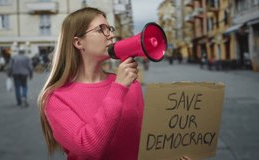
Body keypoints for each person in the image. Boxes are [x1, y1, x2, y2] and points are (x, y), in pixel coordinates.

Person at [37, 7, 191, 160]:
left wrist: (169, 156)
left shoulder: (132, 86)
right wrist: (119, 88)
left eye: (109, 28)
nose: (111, 35)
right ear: (78, 42)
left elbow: (145, 141)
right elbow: (88, 148)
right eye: (101, 29)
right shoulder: (55, 98)